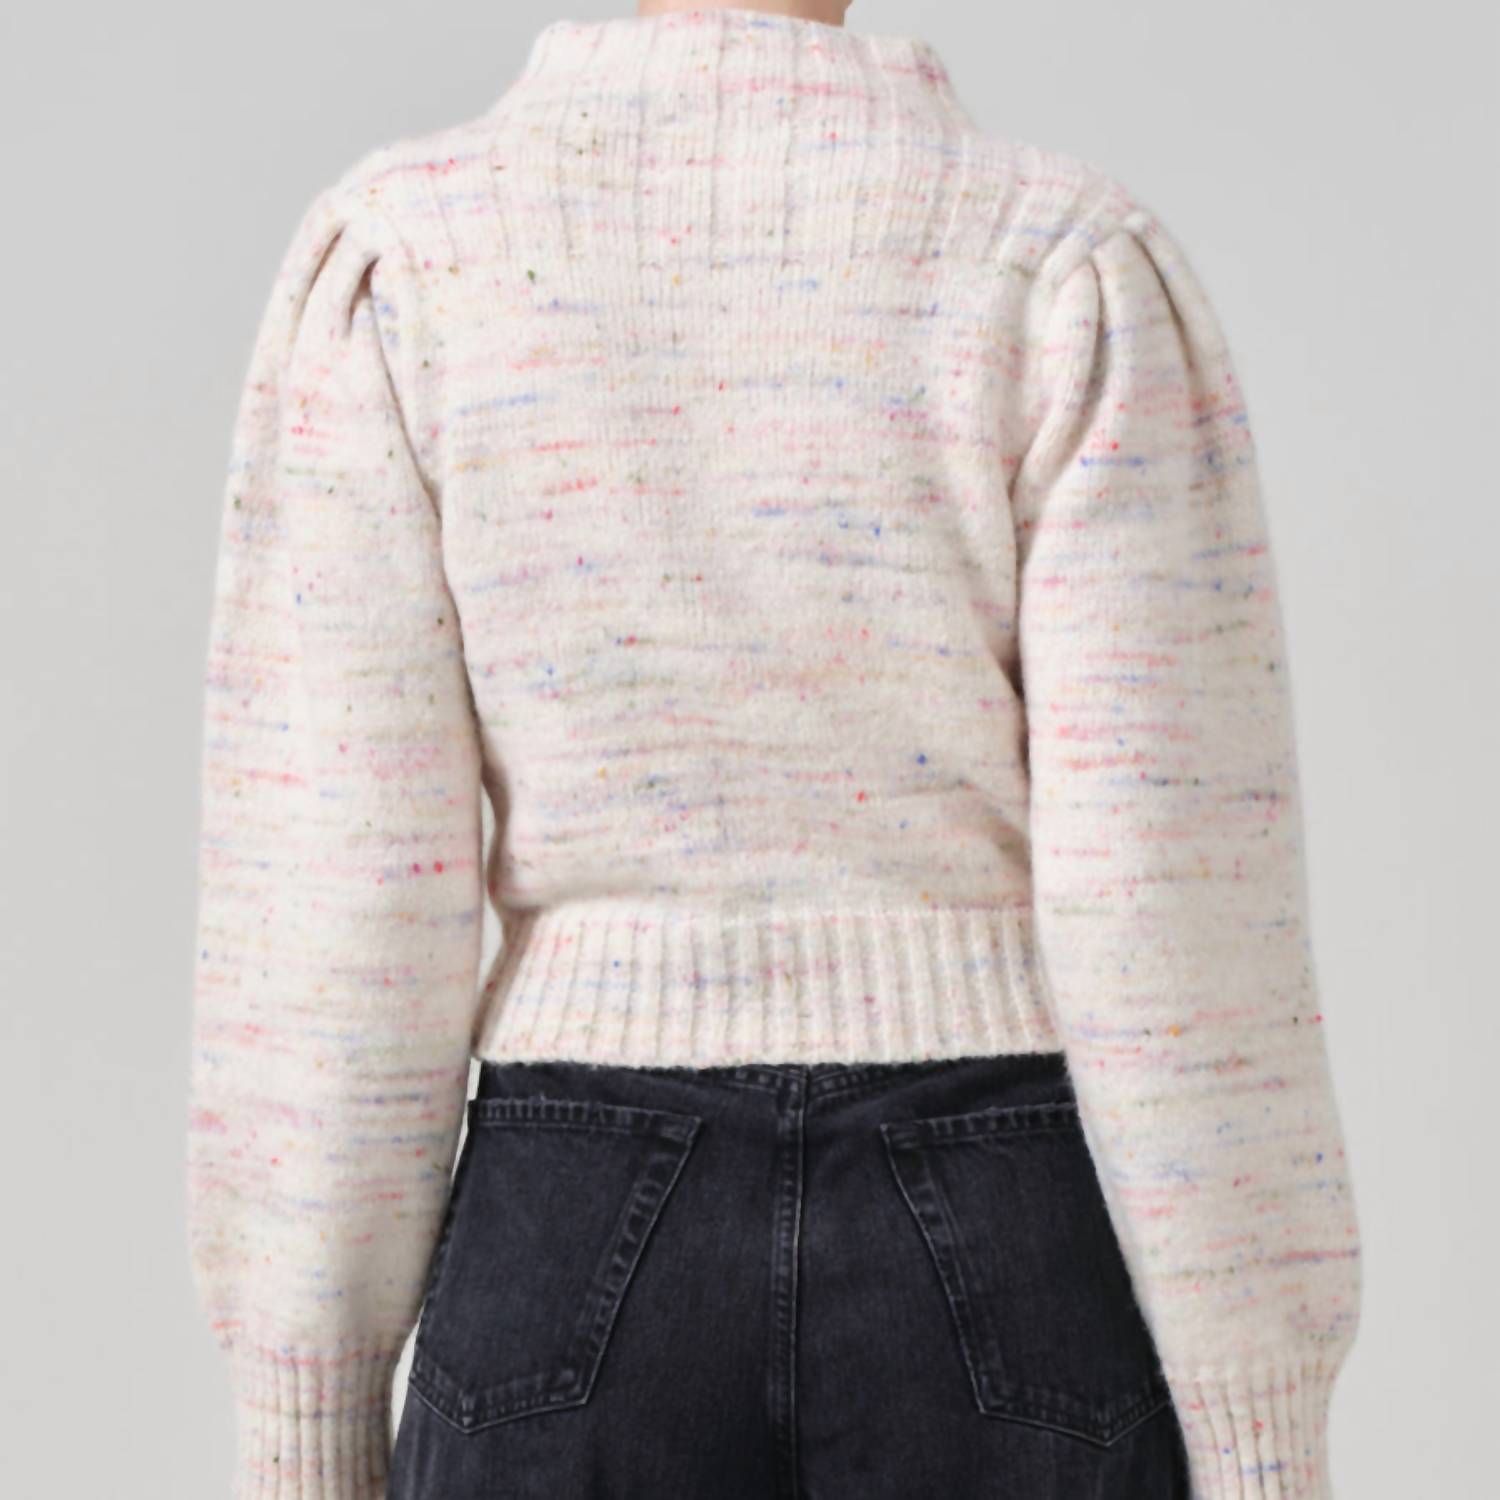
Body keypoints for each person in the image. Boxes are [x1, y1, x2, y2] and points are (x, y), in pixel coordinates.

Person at [184, 2, 1363, 1496]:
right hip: (999, 1230)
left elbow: (343, 888)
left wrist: (306, 1414)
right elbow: (1170, 887)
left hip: (569, 1236)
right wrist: (1264, 1435)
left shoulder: (410, 263)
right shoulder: (1061, 267)